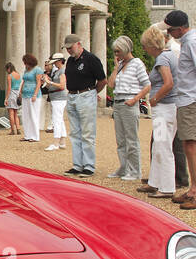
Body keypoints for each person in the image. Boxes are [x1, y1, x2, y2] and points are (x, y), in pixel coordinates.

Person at [163, 9, 196, 210]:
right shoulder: (187, 42)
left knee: (192, 145)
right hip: (187, 99)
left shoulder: (193, 43)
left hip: (193, 99)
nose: (169, 33)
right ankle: (193, 189)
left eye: (171, 29)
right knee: (187, 145)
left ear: (180, 28)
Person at [136, 25, 177, 197]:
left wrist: (154, 99)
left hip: (164, 108)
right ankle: (155, 181)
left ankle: (167, 187)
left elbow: (168, 83)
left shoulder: (162, 59)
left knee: (162, 146)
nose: (144, 49)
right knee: (159, 145)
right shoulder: (169, 56)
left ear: (152, 45)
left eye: (145, 46)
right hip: (167, 107)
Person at [106, 35, 149, 181]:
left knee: (132, 139)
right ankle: (124, 167)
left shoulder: (137, 63)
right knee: (121, 139)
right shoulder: (120, 65)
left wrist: (135, 99)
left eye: (118, 51)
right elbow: (111, 85)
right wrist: (115, 67)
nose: (116, 54)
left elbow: (147, 84)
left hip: (129, 101)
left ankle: (135, 170)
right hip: (118, 102)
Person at [63, 32, 107, 175]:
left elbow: (102, 80)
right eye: (67, 48)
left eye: (71, 47)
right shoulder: (70, 61)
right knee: (75, 132)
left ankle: (89, 165)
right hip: (72, 96)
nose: (69, 50)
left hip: (86, 94)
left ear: (79, 44)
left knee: (87, 133)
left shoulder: (91, 59)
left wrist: (93, 92)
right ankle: (77, 164)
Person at [43, 52, 68, 149]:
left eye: (56, 62)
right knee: (59, 120)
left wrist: (50, 82)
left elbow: (62, 86)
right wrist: (47, 81)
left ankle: (56, 143)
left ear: (60, 61)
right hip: (55, 97)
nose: (54, 64)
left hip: (59, 98)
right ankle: (62, 142)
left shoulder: (62, 71)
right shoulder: (58, 71)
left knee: (57, 120)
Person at [19, 53, 44, 141]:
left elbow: (38, 83)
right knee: (25, 116)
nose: (25, 64)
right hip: (25, 95)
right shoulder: (26, 70)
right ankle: (27, 135)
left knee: (34, 115)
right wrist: (20, 92)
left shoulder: (37, 70)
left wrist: (34, 94)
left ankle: (35, 136)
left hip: (34, 95)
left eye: (25, 62)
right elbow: (24, 81)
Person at [4, 61, 21, 135]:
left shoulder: (10, 76)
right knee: (16, 113)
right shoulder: (18, 75)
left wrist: (6, 98)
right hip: (17, 93)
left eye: (7, 69)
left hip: (12, 94)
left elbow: (9, 88)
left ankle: (12, 130)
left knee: (11, 112)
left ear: (9, 68)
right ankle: (18, 129)